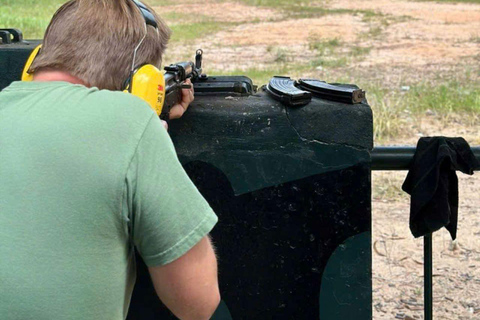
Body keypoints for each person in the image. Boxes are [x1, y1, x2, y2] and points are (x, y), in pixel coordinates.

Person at [0, 1, 220, 319]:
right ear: (142, 82)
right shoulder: (130, 122)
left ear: (36, 61)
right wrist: (149, 137)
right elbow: (198, 302)